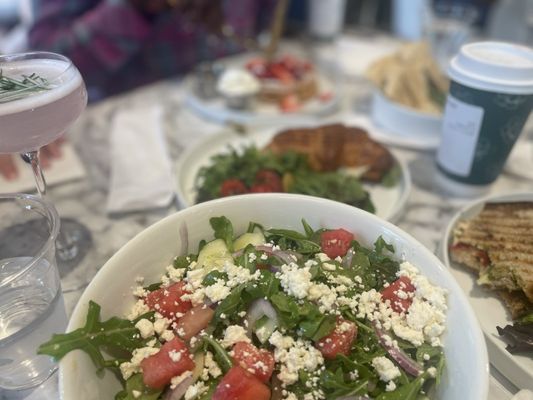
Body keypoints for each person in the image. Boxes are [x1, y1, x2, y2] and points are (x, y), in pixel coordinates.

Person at [0, 0, 276, 180]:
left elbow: (268, 23)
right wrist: (137, 8)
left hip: (251, 114)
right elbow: (49, 61)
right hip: (120, 142)